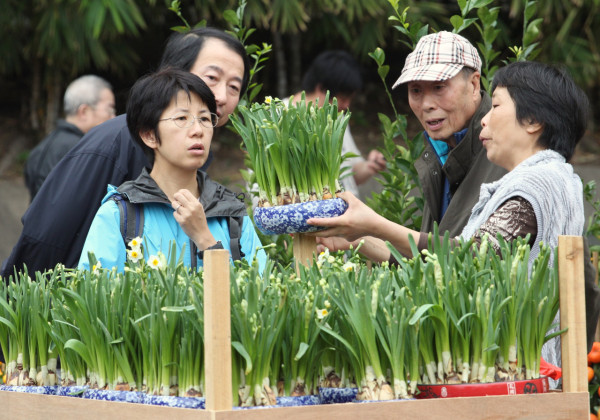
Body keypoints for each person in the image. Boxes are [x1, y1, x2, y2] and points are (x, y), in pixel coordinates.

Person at [1, 27, 250, 277]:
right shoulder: (120, 140)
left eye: (234, 87)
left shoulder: (229, 208)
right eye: (212, 78)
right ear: (173, 72)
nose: (221, 96)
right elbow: (47, 235)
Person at [78, 69, 266, 272]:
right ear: (149, 135)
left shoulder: (232, 213)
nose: (198, 131)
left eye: (204, 119)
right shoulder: (121, 214)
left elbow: (259, 296)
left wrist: (205, 240)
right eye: (182, 119)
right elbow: (95, 297)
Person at [287, 50, 386, 198]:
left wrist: (370, 166)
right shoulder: (280, 117)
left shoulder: (336, 118)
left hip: (348, 216)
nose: (347, 105)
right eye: (343, 98)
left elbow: (351, 174)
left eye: (350, 99)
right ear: (321, 88)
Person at [24, 75, 115, 200]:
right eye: (110, 109)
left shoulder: (42, 147)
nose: (114, 117)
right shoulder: (84, 152)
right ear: (84, 111)